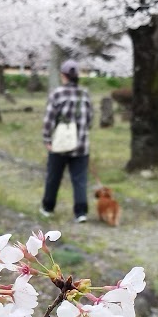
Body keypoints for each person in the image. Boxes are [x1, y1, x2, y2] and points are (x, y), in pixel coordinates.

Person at [40, 59, 93, 223]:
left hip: (59, 145)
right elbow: (90, 120)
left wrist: (47, 139)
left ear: (63, 76)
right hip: (81, 145)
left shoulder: (57, 94)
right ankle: (81, 212)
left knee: (54, 176)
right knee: (80, 179)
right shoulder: (85, 94)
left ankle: (48, 207)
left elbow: (49, 120)